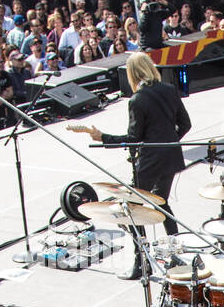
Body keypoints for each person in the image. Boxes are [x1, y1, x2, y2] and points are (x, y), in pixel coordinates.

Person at [73, 51, 191, 278]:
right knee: (161, 202)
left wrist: (103, 137)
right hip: (171, 157)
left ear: (132, 74)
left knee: (132, 209)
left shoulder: (138, 100)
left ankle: (141, 261)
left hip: (149, 162)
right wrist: (169, 140)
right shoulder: (168, 90)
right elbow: (185, 124)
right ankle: (176, 251)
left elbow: (133, 138)